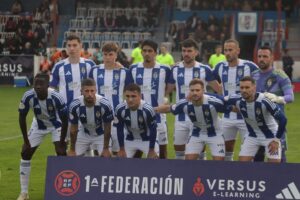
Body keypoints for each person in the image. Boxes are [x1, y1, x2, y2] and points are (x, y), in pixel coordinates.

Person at [166, 38, 222, 160]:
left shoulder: (204, 69)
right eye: (184, 51)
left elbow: (218, 89)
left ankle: (200, 174)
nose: (186, 53)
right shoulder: (175, 69)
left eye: (189, 51)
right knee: (178, 148)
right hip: (181, 115)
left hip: (200, 115)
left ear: (196, 52)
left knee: (200, 148)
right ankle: (181, 175)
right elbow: (167, 90)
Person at [17, 73, 68, 200]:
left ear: (48, 85)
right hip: (39, 125)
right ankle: (24, 193)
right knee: (25, 152)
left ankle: (63, 191)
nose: (38, 86)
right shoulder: (28, 95)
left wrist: (62, 141)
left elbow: (65, 120)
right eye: (36, 84)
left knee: (61, 152)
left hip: (57, 125)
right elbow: (22, 117)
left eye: (41, 84)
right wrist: (26, 140)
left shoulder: (57, 97)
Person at [156, 79, 225, 160]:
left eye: (197, 90)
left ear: (203, 91)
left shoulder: (214, 102)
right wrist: (152, 110)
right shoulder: (184, 103)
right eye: (192, 90)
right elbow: (169, 108)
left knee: (219, 162)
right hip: (196, 134)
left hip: (215, 134)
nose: (195, 93)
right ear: (189, 91)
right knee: (189, 161)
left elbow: (231, 106)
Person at [212, 39, 258, 161]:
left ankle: (249, 178)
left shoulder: (249, 66)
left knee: (248, 152)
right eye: (225, 50)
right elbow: (206, 76)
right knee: (226, 150)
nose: (227, 53)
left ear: (238, 51)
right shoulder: (220, 66)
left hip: (246, 117)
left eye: (230, 50)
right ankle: (229, 176)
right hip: (227, 116)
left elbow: (262, 80)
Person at [50, 35, 95, 155]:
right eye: (69, 45)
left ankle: (88, 172)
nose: (72, 48)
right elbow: (52, 88)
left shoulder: (89, 65)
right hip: (64, 112)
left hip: (85, 111)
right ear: (66, 47)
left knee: (86, 145)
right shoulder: (59, 66)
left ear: (80, 46)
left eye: (75, 45)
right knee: (61, 146)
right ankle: (61, 171)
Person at [227, 76, 287, 163]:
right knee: (241, 166)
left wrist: (276, 140)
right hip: (252, 136)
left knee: (274, 167)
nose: (244, 90)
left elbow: (283, 119)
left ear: (254, 87)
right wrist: (229, 108)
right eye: (242, 87)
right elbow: (219, 100)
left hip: (270, 136)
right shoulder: (237, 99)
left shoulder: (265, 101)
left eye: (247, 87)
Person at [89, 42, 133, 155]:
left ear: (116, 55)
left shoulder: (124, 72)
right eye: (105, 54)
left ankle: (116, 172)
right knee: (99, 150)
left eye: (110, 54)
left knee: (117, 151)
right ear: (102, 55)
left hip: (116, 117)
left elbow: (131, 93)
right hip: (97, 116)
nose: (108, 57)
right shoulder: (94, 70)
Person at [130, 40, 172, 159]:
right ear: (141, 52)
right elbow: (128, 90)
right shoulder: (133, 69)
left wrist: (162, 97)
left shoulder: (165, 69)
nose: (147, 53)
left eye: (150, 51)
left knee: (162, 153)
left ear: (155, 53)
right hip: (138, 117)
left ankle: (163, 176)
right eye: (144, 51)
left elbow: (170, 87)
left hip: (158, 116)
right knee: (136, 152)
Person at [252, 46, 294, 162]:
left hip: (276, 126)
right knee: (256, 163)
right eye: (259, 56)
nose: (261, 59)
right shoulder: (253, 76)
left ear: (272, 58)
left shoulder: (280, 75)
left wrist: (277, 98)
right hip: (258, 127)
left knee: (279, 163)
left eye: (265, 56)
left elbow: (290, 97)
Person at [68, 78, 114, 157]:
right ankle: (88, 154)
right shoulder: (75, 105)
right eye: (86, 91)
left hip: (101, 134)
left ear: (96, 90)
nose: (90, 94)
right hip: (84, 133)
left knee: (106, 157)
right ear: (81, 91)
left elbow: (108, 128)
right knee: (72, 157)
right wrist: (72, 149)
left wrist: (106, 148)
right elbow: (73, 129)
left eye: (92, 91)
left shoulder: (105, 104)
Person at [114, 83, 158, 159]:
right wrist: (121, 149)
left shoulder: (148, 110)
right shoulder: (120, 109)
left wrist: (151, 149)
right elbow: (119, 129)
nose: (130, 99)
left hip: (147, 140)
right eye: (127, 96)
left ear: (140, 96)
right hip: (130, 140)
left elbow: (153, 130)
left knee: (154, 161)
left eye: (133, 96)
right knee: (120, 162)